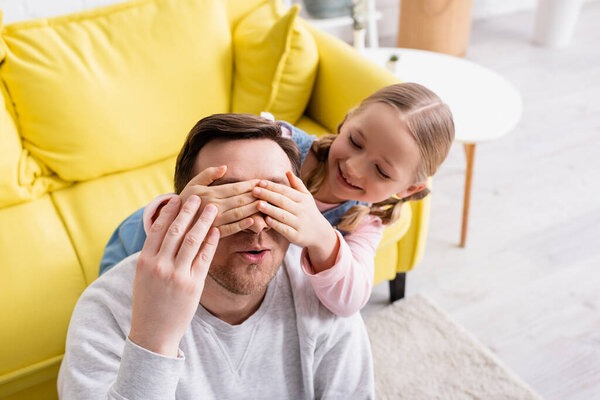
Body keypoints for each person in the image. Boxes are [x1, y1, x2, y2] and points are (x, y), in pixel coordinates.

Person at [57, 114, 374, 399]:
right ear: (183, 209)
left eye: (274, 199)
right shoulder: (105, 310)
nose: (256, 223)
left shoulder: (320, 289)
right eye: (229, 199)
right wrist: (154, 341)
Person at [99, 82, 455, 316]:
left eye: (381, 171)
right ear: (346, 122)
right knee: (120, 305)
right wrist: (186, 211)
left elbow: (348, 302)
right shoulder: (280, 143)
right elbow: (194, 181)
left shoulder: (365, 223)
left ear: (407, 189)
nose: (354, 168)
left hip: (211, 284)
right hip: (145, 240)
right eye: (357, 142)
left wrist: (320, 235)